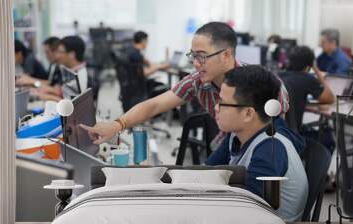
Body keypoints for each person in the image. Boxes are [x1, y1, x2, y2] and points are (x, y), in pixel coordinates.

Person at [81, 22, 289, 145]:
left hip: (261, 153)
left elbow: (279, 136)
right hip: (227, 148)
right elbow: (155, 105)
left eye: (202, 56)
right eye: (193, 56)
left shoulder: (263, 84)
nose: (196, 63)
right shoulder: (198, 82)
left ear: (226, 55)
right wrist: (117, 125)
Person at [206, 65, 308, 222]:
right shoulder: (237, 134)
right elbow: (207, 171)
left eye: (223, 103)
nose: (216, 108)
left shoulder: (271, 149)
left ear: (248, 113)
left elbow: (250, 209)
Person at [279, 46, 334, 131]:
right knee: (327, 136)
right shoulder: (307, 78)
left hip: (276, 133)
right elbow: (330, 99)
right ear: (310, 65)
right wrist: (318, 72)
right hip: (294, 136)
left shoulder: (278, 76)